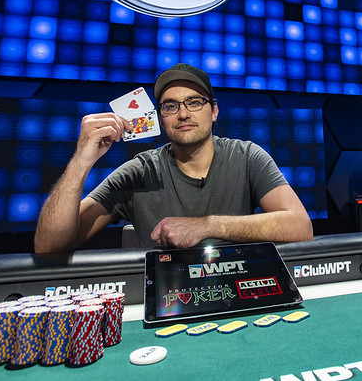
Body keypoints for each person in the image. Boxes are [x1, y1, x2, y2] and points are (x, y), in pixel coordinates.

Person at [34, 63, 313, 253]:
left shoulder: (247, 156)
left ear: (213, 111)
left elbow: (300, 227)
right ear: (160, 119)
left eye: (194, 102)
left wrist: (208, 225)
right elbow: (48, 247)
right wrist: (80, 162)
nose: (183, 114)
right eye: (170, 106)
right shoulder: (138, 171)